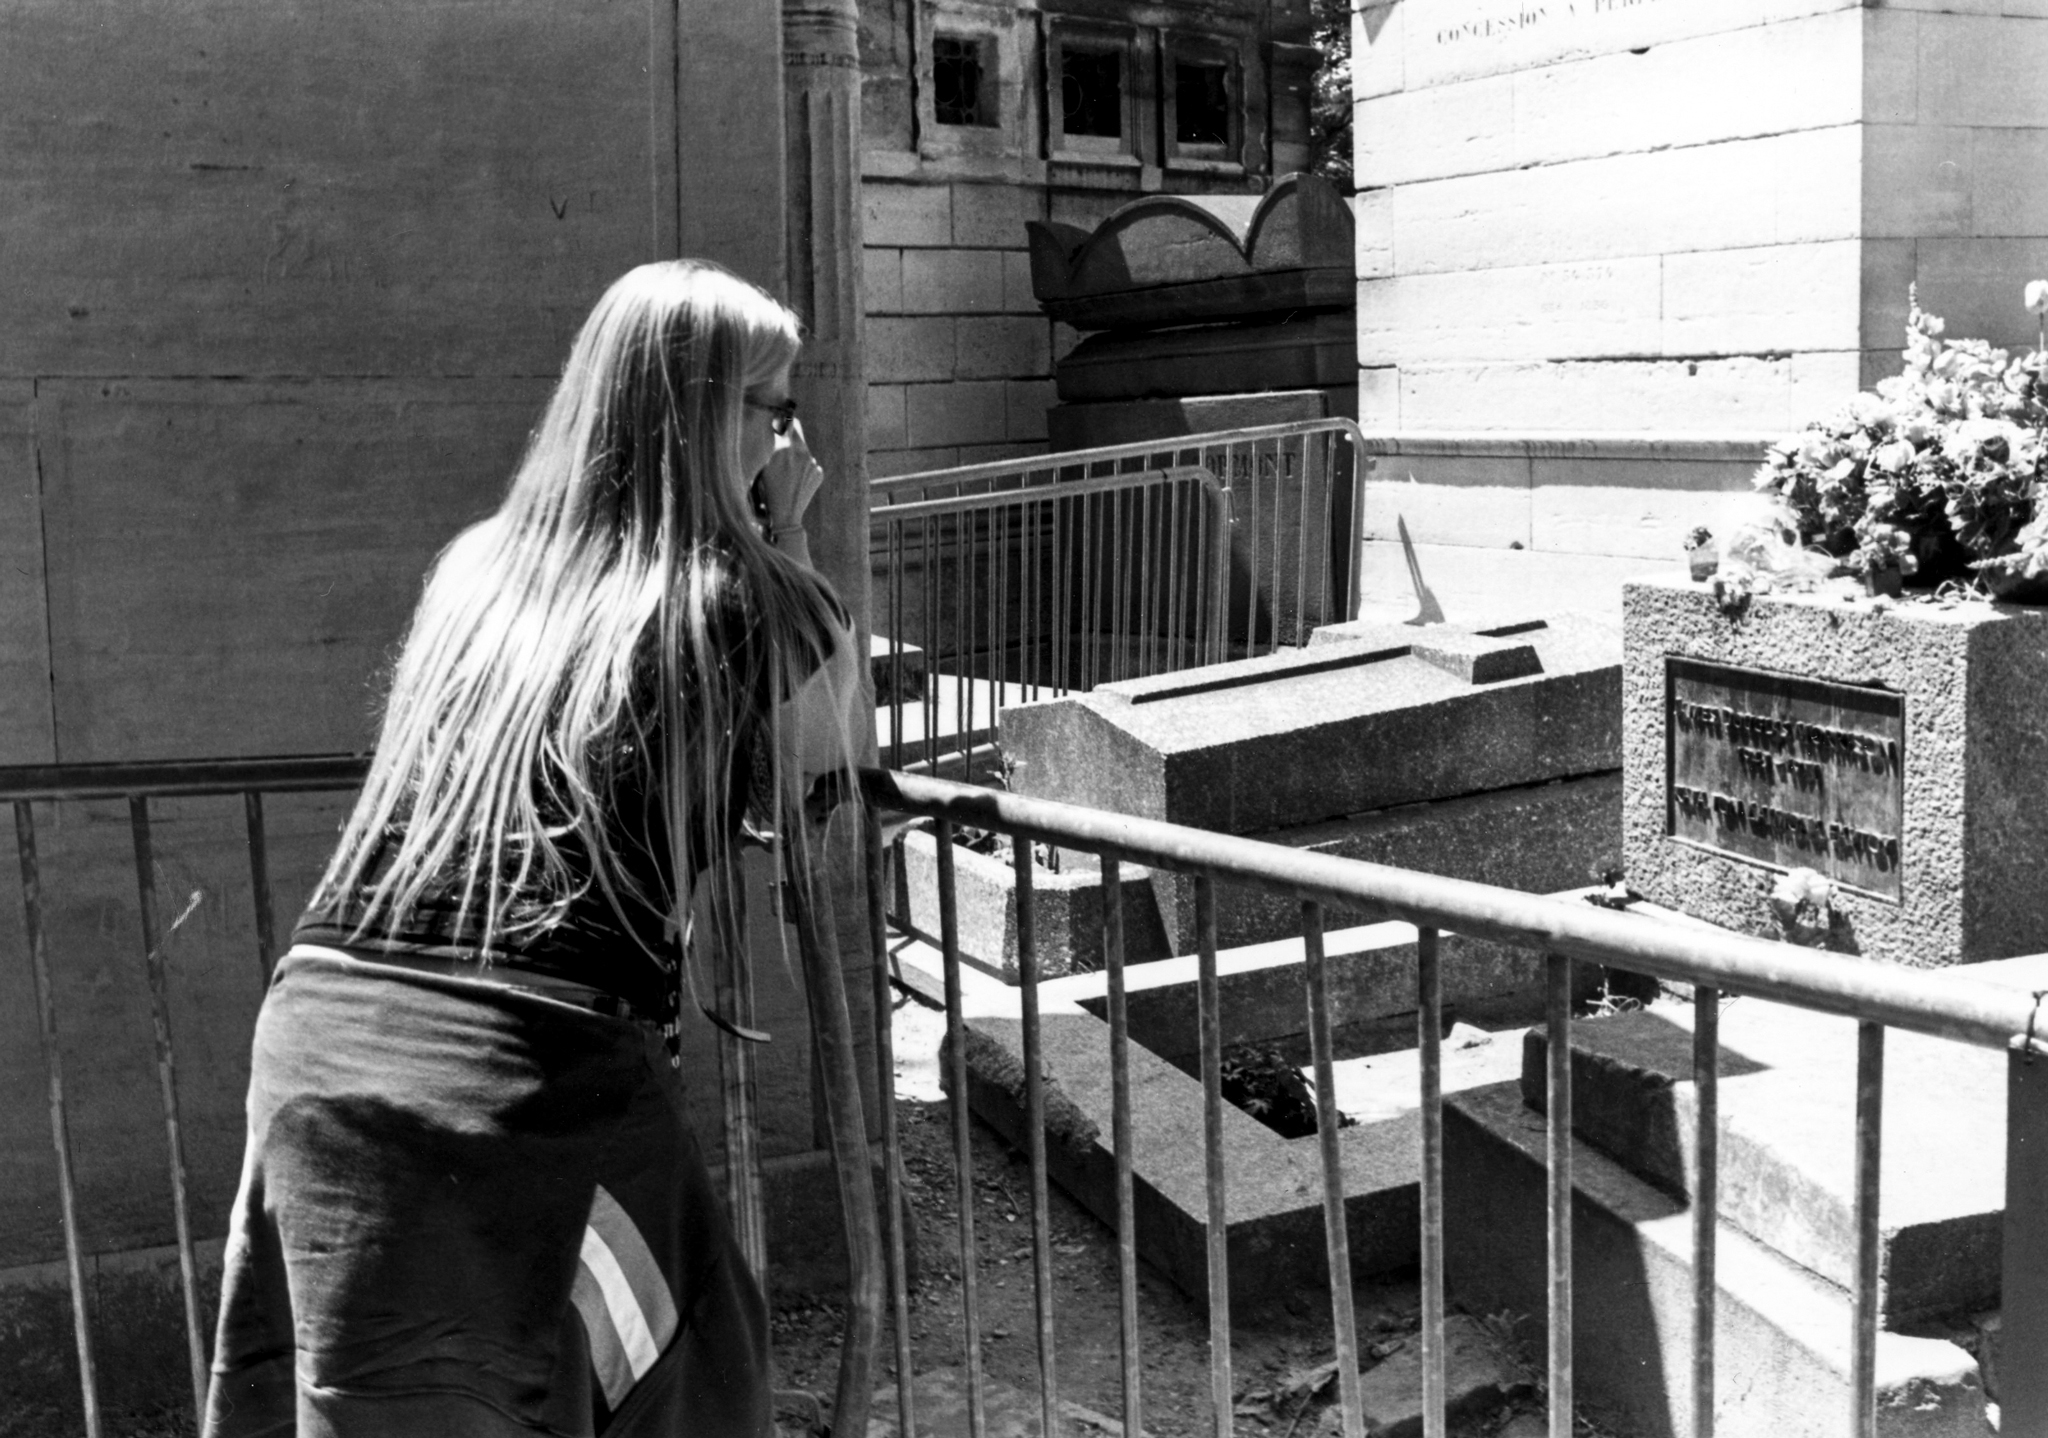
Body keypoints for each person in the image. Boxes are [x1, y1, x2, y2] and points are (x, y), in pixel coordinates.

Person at [203, 260, 863, 1438]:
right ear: (707, 414)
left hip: (321, 1042)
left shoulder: (474, 570)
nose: (786, 435)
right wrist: (792, 536)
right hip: (534, 1072)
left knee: (378, 1402)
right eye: (775, 408)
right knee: (688, 1376)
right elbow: (830, 759)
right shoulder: (746, 594)